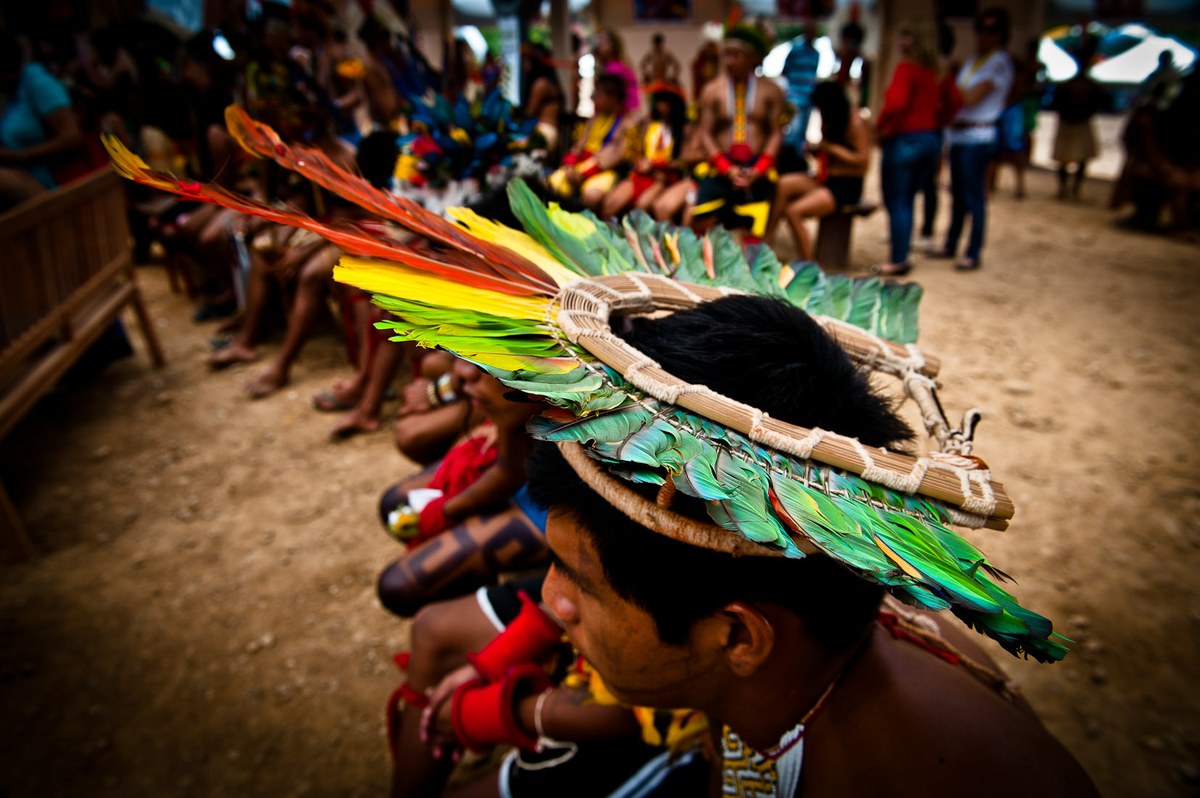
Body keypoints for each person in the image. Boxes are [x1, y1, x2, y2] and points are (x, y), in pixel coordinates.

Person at [375, 357, 550, 618]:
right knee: (395, 503)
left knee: (399, 587)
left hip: (552, 502)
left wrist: (443, 512)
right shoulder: (512, 395)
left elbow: (509, 473)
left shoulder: (538, 388)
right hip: (522, 461)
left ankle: (466, 623)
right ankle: (469, 605)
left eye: (490, 353)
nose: (462, 369)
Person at [929, 7, 1013, 272]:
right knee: (958, 195)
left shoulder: (999, 61)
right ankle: (951, 243)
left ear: (1001, 34)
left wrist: (947, 79)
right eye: (981, 29)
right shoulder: (975, 60)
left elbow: (967, 98)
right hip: (959, 135)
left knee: (974, 196)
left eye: (991, 30)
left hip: (978, 134)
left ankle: (973, 251)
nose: (984, 35)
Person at [691, 24, 784, 243]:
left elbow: (775, 133)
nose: (729, 61)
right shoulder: (712, 90)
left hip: (757, 167)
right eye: (726, 55)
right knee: (702, 222)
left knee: (752, 230)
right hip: (720, 166)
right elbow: (705, 133)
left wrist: (759, 169)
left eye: (736, 55)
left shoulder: (771, 90)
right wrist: (726, 168)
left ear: (751, 57)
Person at [872, 22, 944, 277]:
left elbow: (895, 103)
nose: (901, 44)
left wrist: (881, 127)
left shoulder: (906, 68)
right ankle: (902, 251)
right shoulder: (934, 73)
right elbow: (952, 101)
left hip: (905, 140)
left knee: (898, 200)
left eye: (905, 39)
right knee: (908, 199)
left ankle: (898, 259)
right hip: (930, 139)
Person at [773, 81, 870, 262]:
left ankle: (808, 265)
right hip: (826, 178)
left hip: (846, 185)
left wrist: (831, 149)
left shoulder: (855, 122)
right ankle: (766, 242)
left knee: (793, 212)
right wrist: (817, 151)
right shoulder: (830, 120)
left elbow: (863, 161)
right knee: (782, 184)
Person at [0, 33, 84, 209]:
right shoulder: (12, 94)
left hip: (59, 183)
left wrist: (20, 156)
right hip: (35, 180)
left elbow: (71, 137)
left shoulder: (37, 82)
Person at [601, 81, 688, 219]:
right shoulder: (648, 123)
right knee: (611, 203)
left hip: (664, 178)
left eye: (665, 102)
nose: (661, 106)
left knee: (641, 206)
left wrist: (655, 166)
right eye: (658, 101)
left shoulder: (684, 129)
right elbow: (634, 149)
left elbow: (683, 161)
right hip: (640, 174)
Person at [546, 74, 632, 210]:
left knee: (592, 196)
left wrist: (583, 174)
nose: (593, 98)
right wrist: (570, 165)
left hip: (603, 170)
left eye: (598, 94)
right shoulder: (594, 119)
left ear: (613, 97)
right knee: (552, 184)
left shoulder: (626, 124)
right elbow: (578, 146)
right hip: (581, 166)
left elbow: (614, 157)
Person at [1051, 52, 1107, 201]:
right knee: (1066, 158)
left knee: (1078, 157)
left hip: (1077, 122)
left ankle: (1072, 188)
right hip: (1073, 122)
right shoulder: (1074, 85)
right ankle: (1068, 188)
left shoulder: (1086, 85)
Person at [778, 19, 821, 175]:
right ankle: (788, 163)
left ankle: (796, 164)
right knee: (792, 132)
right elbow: (784, 71)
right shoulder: (795, 50)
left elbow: (813, 76)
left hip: (808, 98)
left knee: (802, 133)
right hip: (794, 96)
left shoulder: (816, 54)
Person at [595, 29, 639, 114]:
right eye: (599, 43)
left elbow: (628, 96)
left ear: (613, 45)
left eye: (603, 43)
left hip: (623, 113)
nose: (600, 46)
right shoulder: (607, 65)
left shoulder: (617, 67)